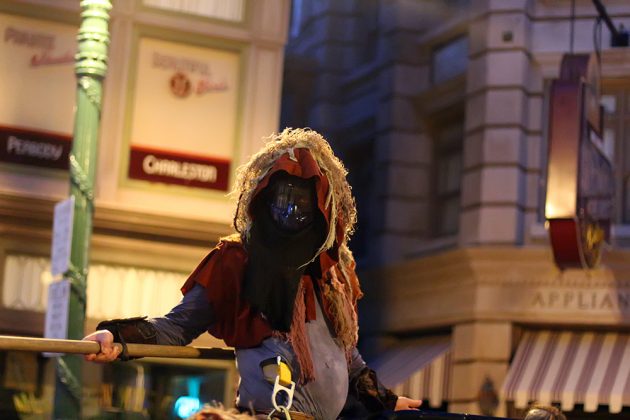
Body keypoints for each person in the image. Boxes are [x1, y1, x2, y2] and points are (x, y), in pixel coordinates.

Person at [83, 128, 421, 419]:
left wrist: (386, 402)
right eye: (283, 198)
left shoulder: (332, 274)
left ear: (323, 208)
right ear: (264, 198)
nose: (291, 210)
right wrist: (117, 337)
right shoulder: (237, 261)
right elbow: (178, 325)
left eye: (302, 202)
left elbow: (348, 360)